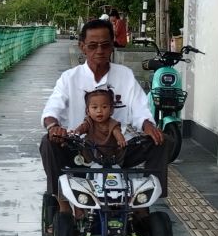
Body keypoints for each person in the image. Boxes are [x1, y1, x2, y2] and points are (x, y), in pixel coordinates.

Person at [40, 18, 171, 216]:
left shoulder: (125, 75)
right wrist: (53, 127)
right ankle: (64, 205)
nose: (99, 51)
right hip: (81, 149)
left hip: (120, 148)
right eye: (92, 46)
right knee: (47, 143)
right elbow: (52, 109)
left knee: (161, 141)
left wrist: (148, 125)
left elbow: (139, 108)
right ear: (82, 47)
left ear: (112, 46)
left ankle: (143, 205)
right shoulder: (69, 78)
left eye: (105, 45)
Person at [72, 88, 127, 160]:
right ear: (87, 111)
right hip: (90, 153)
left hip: (109, 155)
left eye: (104, 107)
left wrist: (121, 140)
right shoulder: (89, 122)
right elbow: (82, 128)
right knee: (79, 147)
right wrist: (75, 133)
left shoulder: (112, 123)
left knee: (122, 152)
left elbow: (117, 133)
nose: (99, 111)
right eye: (94, 107)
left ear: (111, 110)